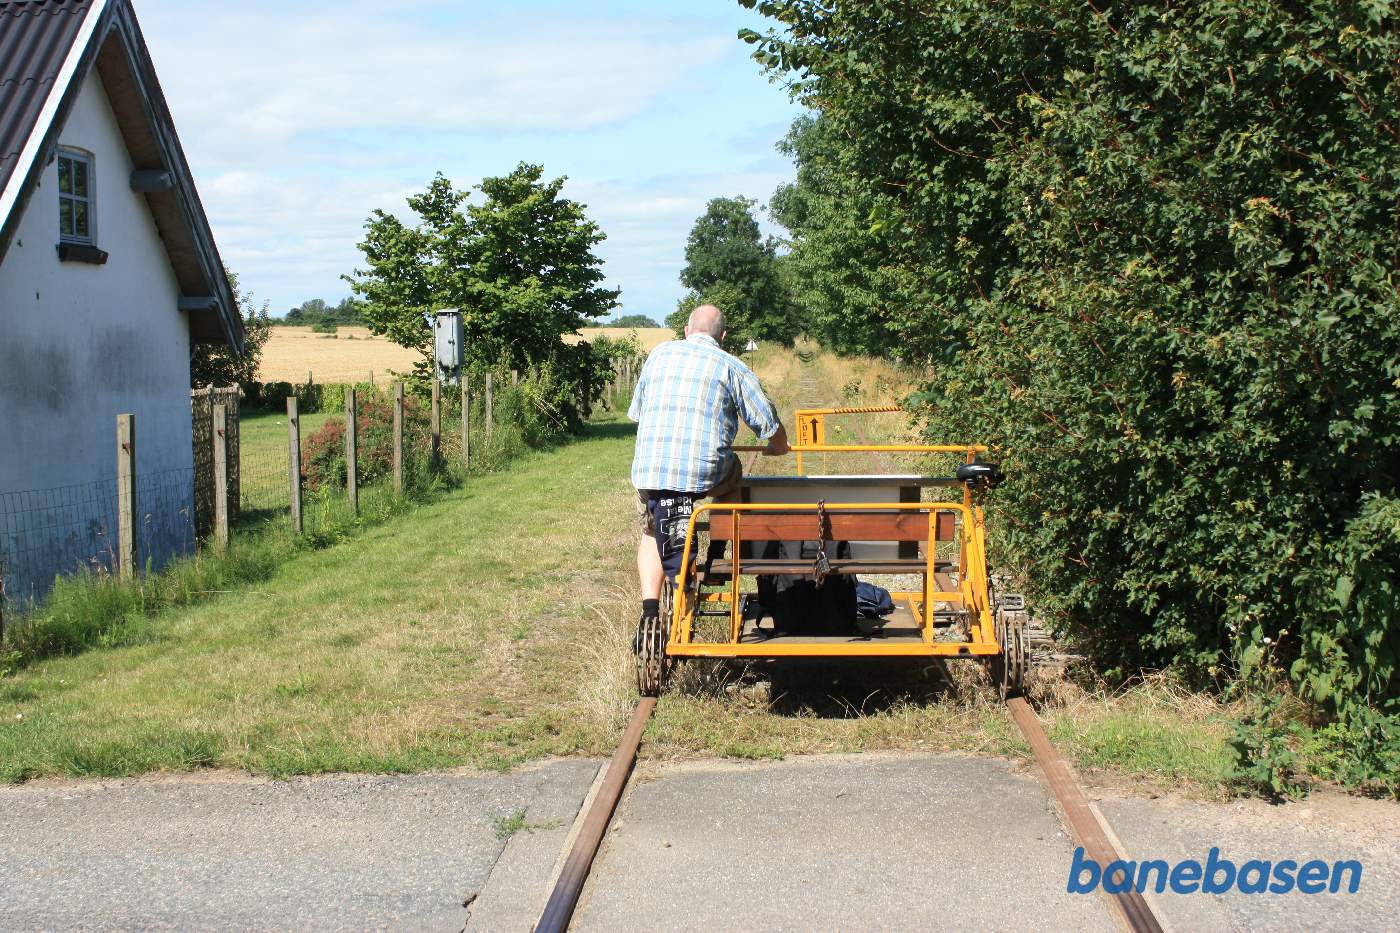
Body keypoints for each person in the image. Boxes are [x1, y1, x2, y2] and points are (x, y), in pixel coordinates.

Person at [627, 304, 789, 643]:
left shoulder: (657, 355)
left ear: (686, 330)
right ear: (723, 336)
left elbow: (638, 412)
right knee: (735, 475)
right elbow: (766, 420)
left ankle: (650, 610)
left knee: (652, 529)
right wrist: (778, 446)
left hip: (650, 470)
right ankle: (717, 550)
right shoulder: (731, 365)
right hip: (705, 472)